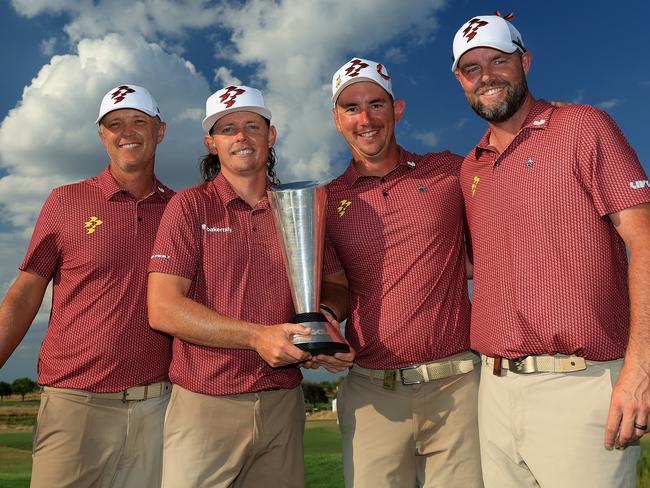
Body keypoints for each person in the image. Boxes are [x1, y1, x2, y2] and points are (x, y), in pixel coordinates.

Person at [452, 14, 650, 487]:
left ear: (525, 61)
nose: (486, 76)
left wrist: (640, 369)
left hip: (580, 387)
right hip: (494, 391)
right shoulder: (469, 169)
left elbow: (644, 239)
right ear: (460, 81)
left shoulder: (584, 127)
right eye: (472, 68)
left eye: (498, 60)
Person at [147, 85, 334, 488]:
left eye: (252, 125)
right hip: (205, 405)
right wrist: (257, 337)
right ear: (211, 143)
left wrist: (323, 328)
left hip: (282, 404)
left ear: (271, 135)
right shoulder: (189, 206)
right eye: (227, 128)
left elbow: (334, 283)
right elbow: (162, 307)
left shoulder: (299, 204)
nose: (241, 136)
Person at [317, 58, 482, 487]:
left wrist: (547, 120)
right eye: (351, 108)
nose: (365, 118)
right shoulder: (326, 202)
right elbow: (336, 286)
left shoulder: (448, 170)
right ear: (337, 119)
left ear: (398, 109)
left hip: (458, 387)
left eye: (376, 104)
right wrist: (327, 320)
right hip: (373, 393)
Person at [0, 84, 173, 487]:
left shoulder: (181, 209)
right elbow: (25, 294)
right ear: (102, 136)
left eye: (138, 122)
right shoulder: (65, 202)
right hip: (74, 404)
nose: (126, 131)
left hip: (159, 405)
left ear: (159, 131)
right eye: (114, 124)